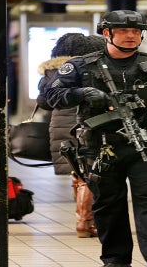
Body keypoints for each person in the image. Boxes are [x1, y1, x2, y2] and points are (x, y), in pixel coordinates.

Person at [44, 10, 147, 267]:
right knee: (109, 205)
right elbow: (52, 95)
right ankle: (116, 259)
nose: (131, 36)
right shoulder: (82, 66)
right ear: (107, 33)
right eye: (124, 31)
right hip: (101, 147)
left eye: (136, 31)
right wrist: (81, 93)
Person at [36, 33, 106, 238]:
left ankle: (85, 219)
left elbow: (44, 102)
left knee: (78, 173)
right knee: (89, 174)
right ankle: (85, 221)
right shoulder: (90, 69)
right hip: (87, 124)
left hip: (60, 126)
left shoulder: (51, 72)